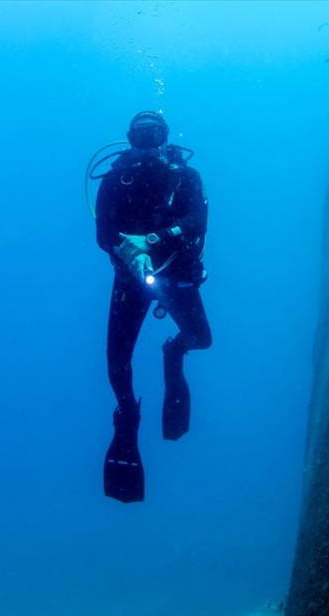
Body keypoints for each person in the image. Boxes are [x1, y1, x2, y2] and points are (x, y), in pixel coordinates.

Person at [95, 111, 211, 502]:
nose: (148, 142)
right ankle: (127, 414)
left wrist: (153, 240)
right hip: (132, 278)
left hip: (175, 273)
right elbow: (102, 234)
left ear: (165, 137)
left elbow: (197, 220)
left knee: (200, 339)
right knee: (116, 360)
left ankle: (174, 351)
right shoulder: (114, 179)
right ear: (129, 139)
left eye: (155, 134)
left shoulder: (185, 177)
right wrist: (126, 249)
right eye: (141, 136)